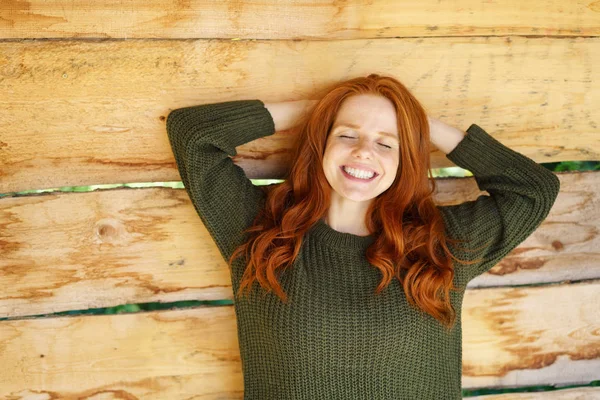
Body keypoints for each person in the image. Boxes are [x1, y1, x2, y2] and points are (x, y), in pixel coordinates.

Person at [165, 74, 560, 399]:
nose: (364, 152)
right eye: (347, 135)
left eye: (387, 142)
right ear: (322, 141)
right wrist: (320, 107)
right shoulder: (259, 230)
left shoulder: (441, 243)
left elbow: (533, 189)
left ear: (405, 158)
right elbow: (193, 134)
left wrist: (420, 124)